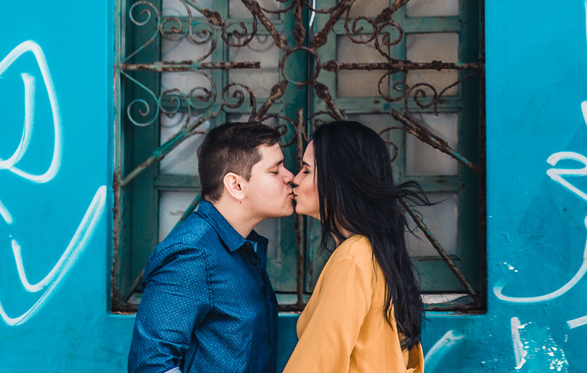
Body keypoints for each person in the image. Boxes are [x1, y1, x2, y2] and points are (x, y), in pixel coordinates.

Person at [129, 121, 296, 373]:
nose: (290, 177)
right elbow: (151, 365)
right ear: (236, 186)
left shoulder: (240, 247)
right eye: (275, 170)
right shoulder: (191, 255)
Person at [284, 120, 427, 373]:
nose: (294, 179)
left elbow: (318, 364)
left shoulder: (353, 258)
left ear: (337, 180)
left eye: (306, 170)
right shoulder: (374, 251)